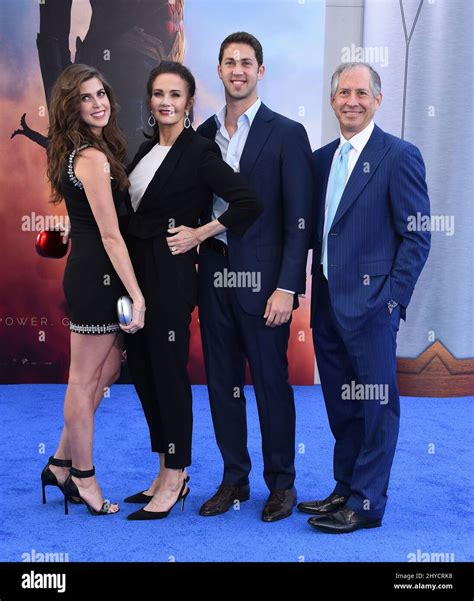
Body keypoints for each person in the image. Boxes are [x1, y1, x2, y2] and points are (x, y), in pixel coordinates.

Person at [122, 61, 262, 520]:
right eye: (158, 93)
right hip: (135, 271)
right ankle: (163, 469)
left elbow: (247, 202)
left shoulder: (200, 151)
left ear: (188, 102)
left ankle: (178, 472)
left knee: (167, 372)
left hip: (171, 274)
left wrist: (201, 233)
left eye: (175, 95)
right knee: (142, 370)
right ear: (150, 100)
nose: (166, 102)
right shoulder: (143, 151)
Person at [298, 62, 431, 533]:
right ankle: (345, 487)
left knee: (376, 406)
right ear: (332, 101)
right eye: (343, 92)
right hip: (329, 304)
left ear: (377, 100)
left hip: (374, 309)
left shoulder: (399, 155)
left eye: (361, 92)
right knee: (341, 402)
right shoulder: (320, 160)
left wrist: (392, 301)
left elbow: (418, 236)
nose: (351, 100)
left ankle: (368, 503)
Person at [197, 32, 313, 522]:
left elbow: (299, 218)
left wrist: (288, 286)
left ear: (260, 71)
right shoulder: (200, 135)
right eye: (229, 62)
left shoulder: (286, 133)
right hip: (214, 275)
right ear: (219, 71)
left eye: (247, 62)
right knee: (222, 383)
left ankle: (281, 485)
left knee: (270, 384)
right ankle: (234, 479)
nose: (238, 70)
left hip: (266, 284)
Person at [41, 64, 146, 516]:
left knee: (105, 375)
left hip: (93, 275)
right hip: (97, 279)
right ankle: (84, 478)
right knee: (84, 382)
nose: (99, 102)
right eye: (86, 97)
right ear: (72, 106)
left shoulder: (79, 152)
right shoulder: (92, 158)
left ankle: (60, 464)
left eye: (101, 92)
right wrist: (137, 295)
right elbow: (110, 235)